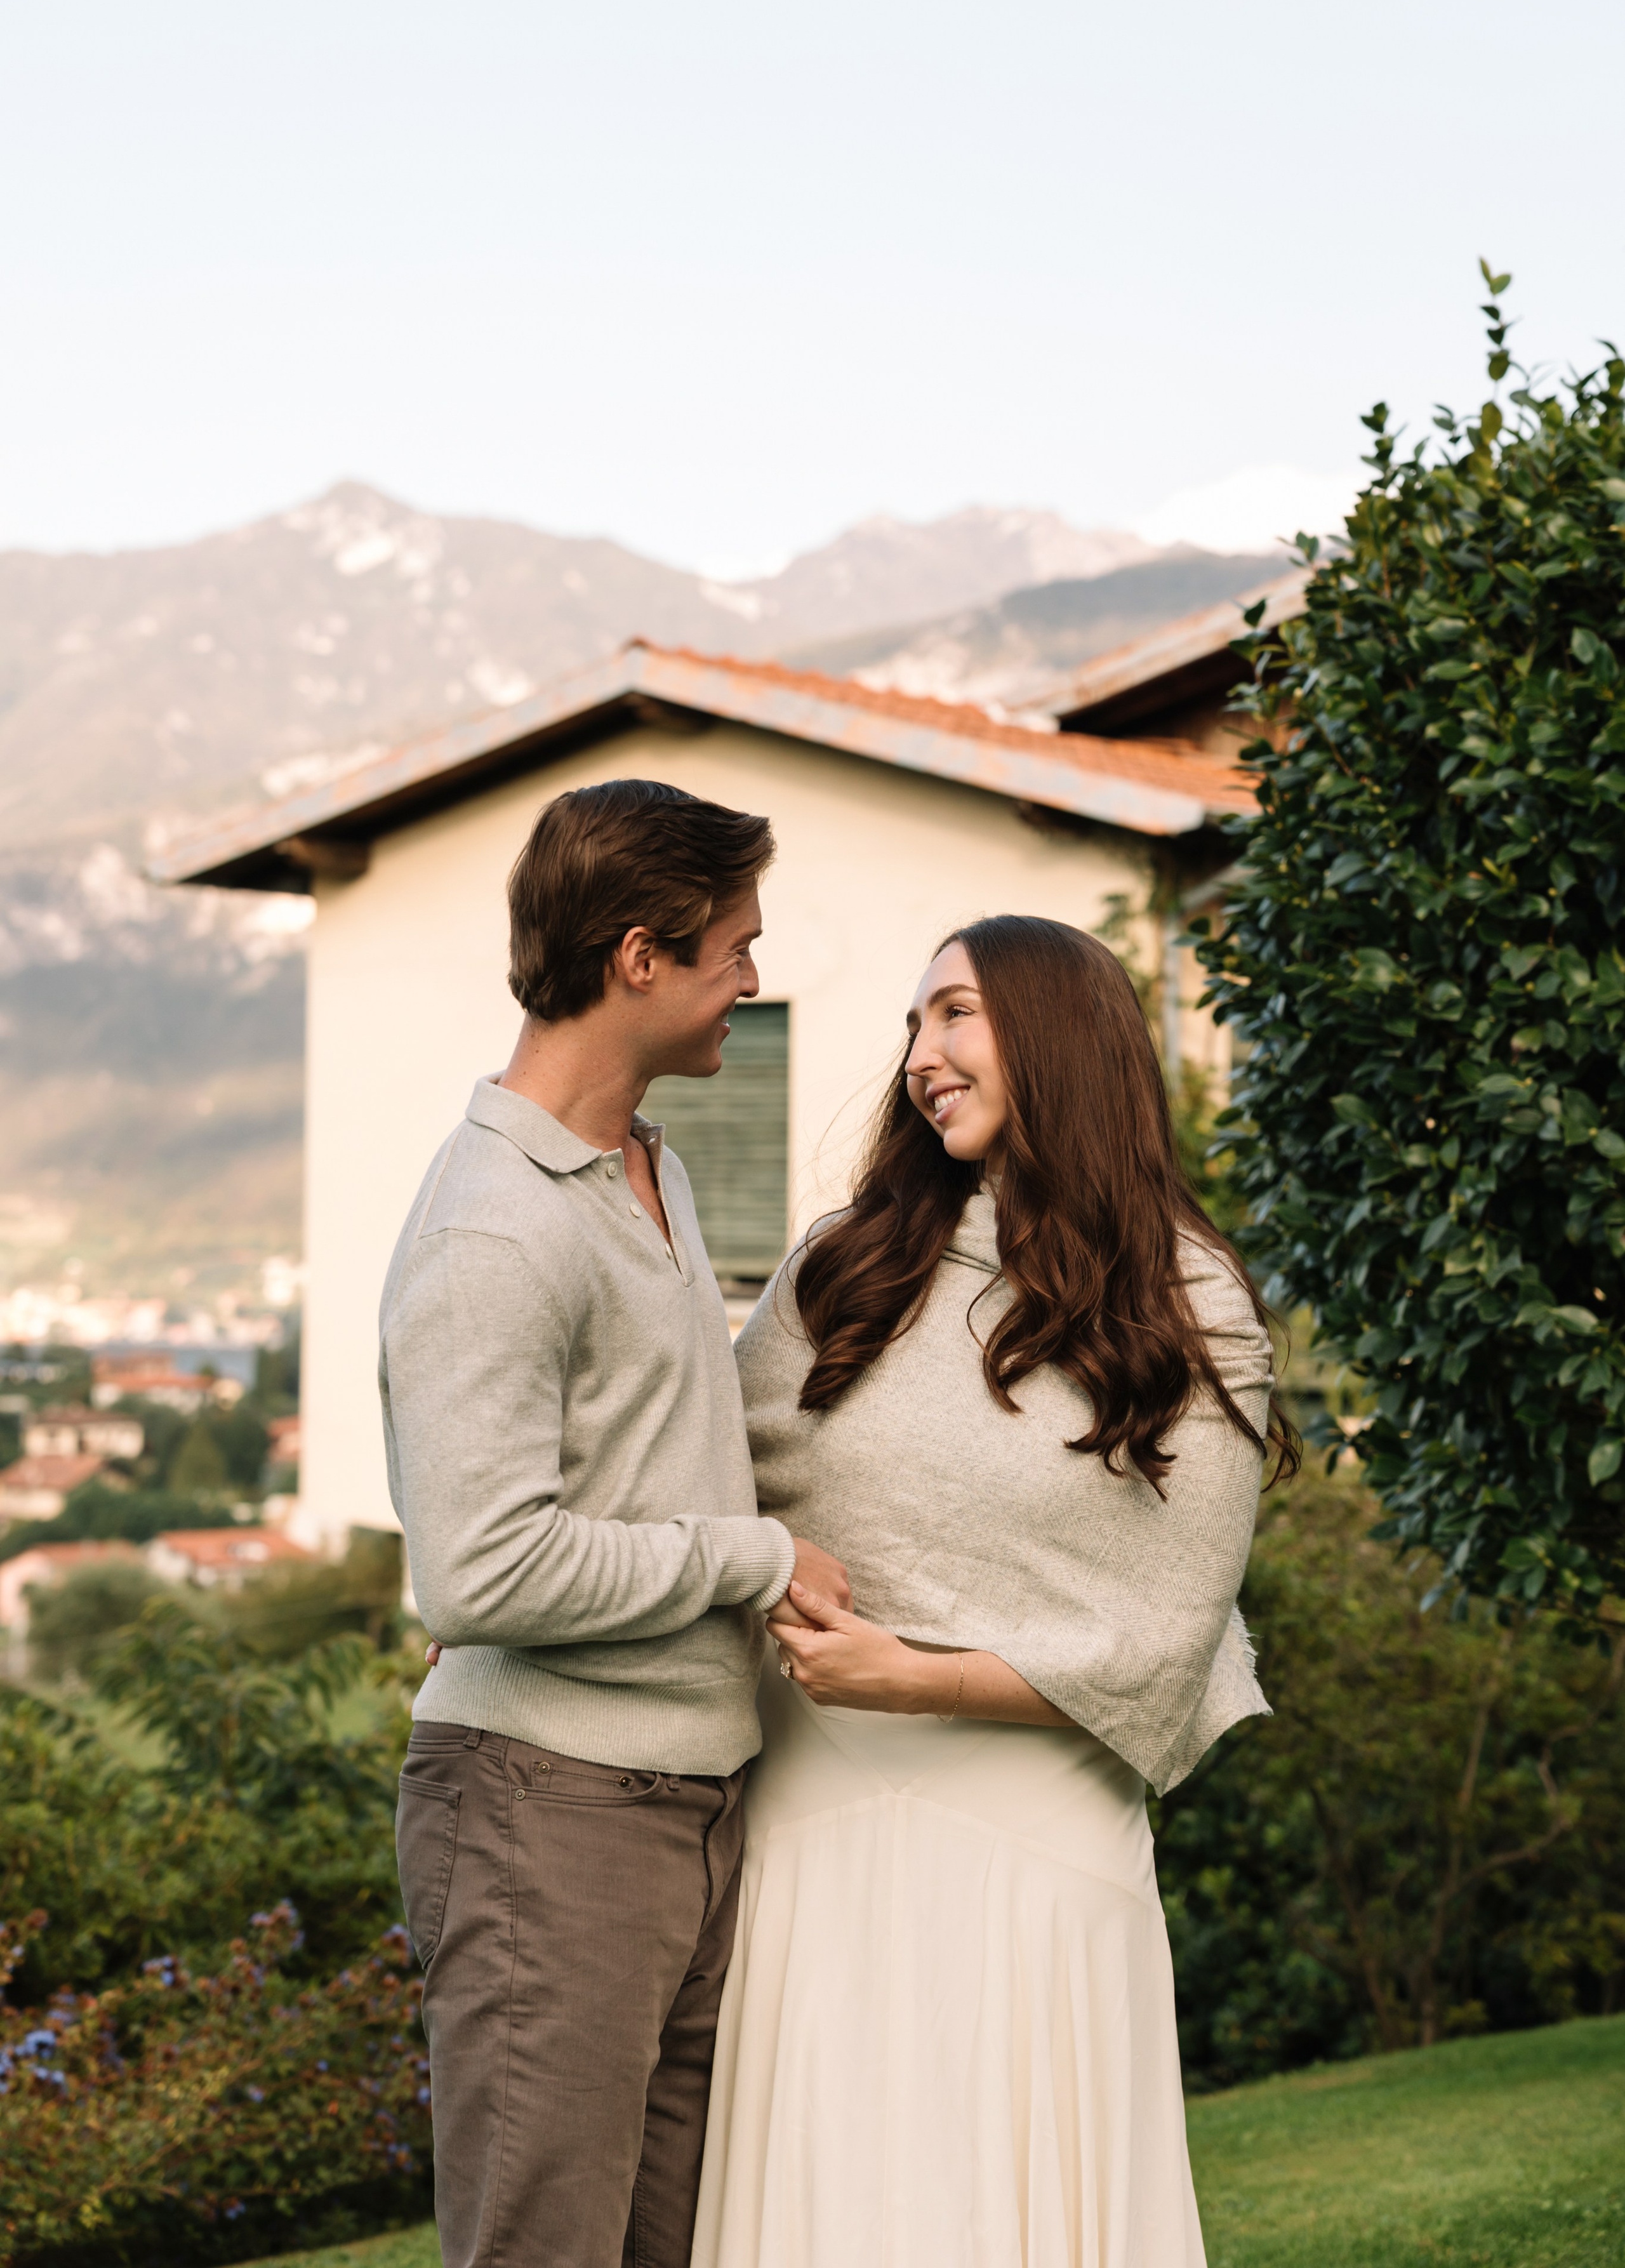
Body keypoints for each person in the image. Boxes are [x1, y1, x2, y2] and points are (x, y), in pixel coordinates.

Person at [691, 913, 1299, 2268]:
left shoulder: (1189, 1306)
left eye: (954, 1014)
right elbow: (713, 1488)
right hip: (815, 1803)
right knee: (826, 2189)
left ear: (1057, 1035)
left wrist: (920, 1678)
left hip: (1036, 1827)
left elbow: (1168, 1628)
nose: (921, 1053)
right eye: (912, 1023)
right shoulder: (839, 1267)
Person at [380, 776, 851, 2268]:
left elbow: (667, 1448)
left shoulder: (652, 1168)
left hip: (687, 1808)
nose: (752, 983)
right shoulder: (490, 1227)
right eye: (733, 949)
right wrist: (753, 1558)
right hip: (546, 1817)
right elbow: (478, 1564)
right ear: (638, 956)